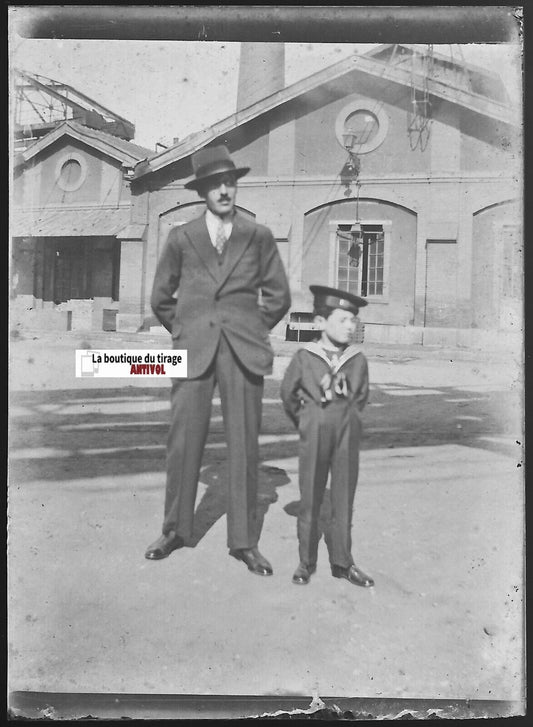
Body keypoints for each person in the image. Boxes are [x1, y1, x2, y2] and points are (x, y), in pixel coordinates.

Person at [145, 145, 291, 575]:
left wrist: (249, 324)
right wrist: (186, 328)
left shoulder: (257, 235)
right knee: (183, 441)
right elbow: (159, 298)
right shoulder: (180, 237)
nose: (224, 190)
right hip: (192, 352)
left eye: (230, 182)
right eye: (215, 185)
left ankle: (244, 542)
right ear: (202, 192)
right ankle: (175, 530)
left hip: (243, 354)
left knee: (245, 444)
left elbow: (278, 295)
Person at [280, 285, 374, 587]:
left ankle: (343, 562)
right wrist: (307, 421)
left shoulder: (357, 360)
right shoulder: (305, 357)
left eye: (353, 321)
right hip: (315, 433)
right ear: (320, 323)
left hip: (346, 434)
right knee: (311, 498)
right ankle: (305, 562)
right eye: (343, 320)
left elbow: (360, 397)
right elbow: (288, 394)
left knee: (343, 498)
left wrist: (348, 422)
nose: (350, 326)